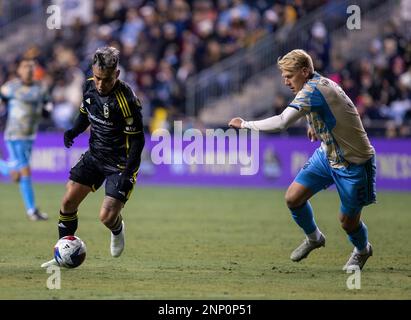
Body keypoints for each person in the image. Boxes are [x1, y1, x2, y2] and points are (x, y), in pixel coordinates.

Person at [229, 49, 376, 271]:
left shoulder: (312, 91)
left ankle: (363, 250)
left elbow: (281, 122)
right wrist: (313, 124)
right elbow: (333, 108)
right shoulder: (318, 84)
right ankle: (315, 238)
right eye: (284, 77)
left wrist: (245, 125)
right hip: (327, 154)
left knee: (347, 222)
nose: (286, 81)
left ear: (305, 71)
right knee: (293, 198)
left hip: (353, 164)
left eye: (290, 76)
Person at [41, 47, 145, 267]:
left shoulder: (126, 100)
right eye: (97, 77)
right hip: (95, 155)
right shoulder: (88, 86)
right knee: (68, 200)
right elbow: (84, 113)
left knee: (106, 217)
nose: (100, 84)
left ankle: (117, 229)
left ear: (116, 75)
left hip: (120, 163)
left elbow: (138, 140)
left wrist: (128, 173)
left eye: (105, 80)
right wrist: (73, 131)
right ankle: (64, 250)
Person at [0, 58, 50, 221]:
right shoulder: (10, 87)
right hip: (15, 135)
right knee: (25, 170)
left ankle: (3, 167)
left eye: (31, 67)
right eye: (25, 66)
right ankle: (32, 211)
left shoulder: (40, 88)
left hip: (30, 135)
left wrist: (46, 109)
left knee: (17, 174)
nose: (28, 69)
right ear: (19, 70)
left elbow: (47, 107)